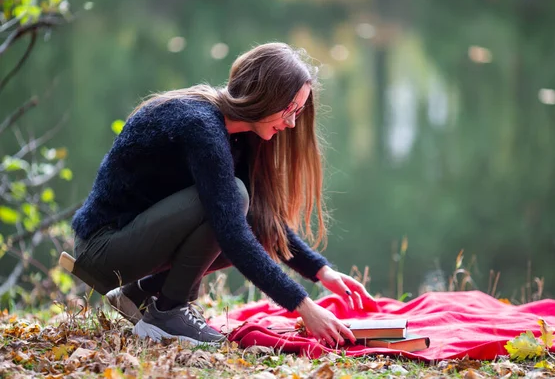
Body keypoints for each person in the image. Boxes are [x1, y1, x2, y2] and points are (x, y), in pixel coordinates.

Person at [71, 42, 377, 348]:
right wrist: (304, 306)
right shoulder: (200, 126)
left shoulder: (237, 134)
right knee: (235, 202)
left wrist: (321, 272)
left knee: (247, 213)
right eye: (289, 109)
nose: (292, 122)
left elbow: (261, 222)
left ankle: (138, 294)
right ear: (265, 95)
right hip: (103, 250)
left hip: (134, 243)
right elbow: (231, 231)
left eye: (298, 111)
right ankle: (167, 313)